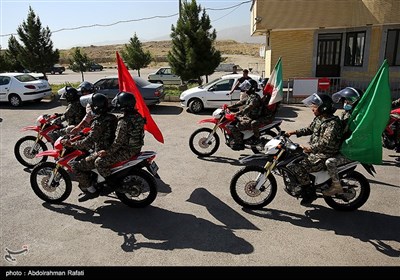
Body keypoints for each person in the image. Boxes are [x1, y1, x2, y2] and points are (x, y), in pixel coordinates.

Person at [285, 93, 343, 205]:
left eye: (315, 106)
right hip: (317, 151)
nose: (312, 109)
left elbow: (325, 143)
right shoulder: (320, 118)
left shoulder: (332, 123)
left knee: (297, 166)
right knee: (293, 158)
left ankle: (310, 193)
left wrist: (309, 148)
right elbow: (309, 129)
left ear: (323, 108)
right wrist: (293, 132)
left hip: (325, 154)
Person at [65, 93, 118, 202]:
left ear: (96, 107)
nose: (91, 107)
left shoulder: (98, 122)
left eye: (92, 105)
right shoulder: (112, 117)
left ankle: (91, 191)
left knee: (74, 166)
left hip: (101, 150)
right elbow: (98, 134)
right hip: (112, 148)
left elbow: (89, 140)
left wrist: (72, 144)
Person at [95, 92, 146, 191]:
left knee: (99, 162)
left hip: (126, 151)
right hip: (136, 148)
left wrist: (106, 152)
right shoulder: (137, 116)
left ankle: (113, 185)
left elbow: (118, 142)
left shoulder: (123, 122)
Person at [322, 87, 363, 196]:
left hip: (351, 151)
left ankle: (336, 186)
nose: (345, 103)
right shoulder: (346, 113)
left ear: (355, 101)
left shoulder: (359, 117)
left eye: (348, 101)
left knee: (330, 162)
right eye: (344, 100)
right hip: (342, 147)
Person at [227, 79, 263, 150]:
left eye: (247, 87)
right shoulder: (251, 96)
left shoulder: (255, 98)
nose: (245, 89)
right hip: (247, 116)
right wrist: (230, 106)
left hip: (252, 118)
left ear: (252, 88)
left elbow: (248, 108)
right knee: (233, 121)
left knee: (234, 127)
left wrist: (236, 113)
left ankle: (239, 142)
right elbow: (241, 102)